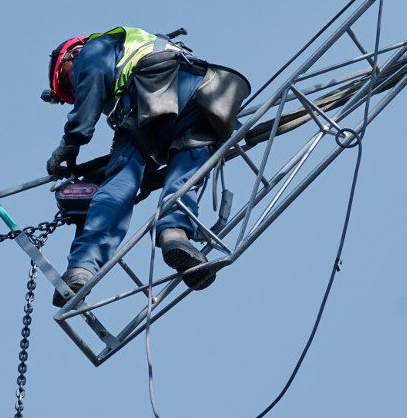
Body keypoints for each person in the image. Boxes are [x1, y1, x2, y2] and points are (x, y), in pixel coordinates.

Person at [42, 27, 251, 306]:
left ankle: (82, 268)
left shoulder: (96, 48)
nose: (73, 88)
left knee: (118, 187)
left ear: (71, 55)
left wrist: (71, 141)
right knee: (187, 169)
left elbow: (92, 79)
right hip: (201, 96)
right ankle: (175, 236)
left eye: (67, 82)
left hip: (152, 93)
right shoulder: (145, 43)